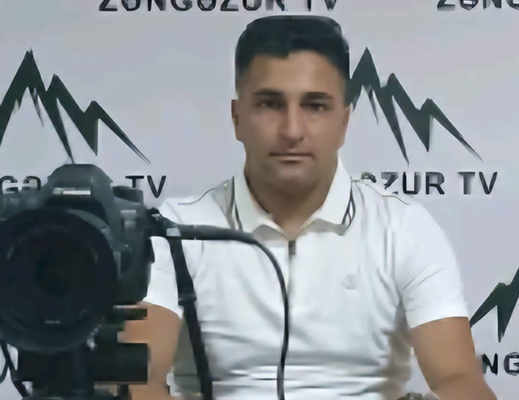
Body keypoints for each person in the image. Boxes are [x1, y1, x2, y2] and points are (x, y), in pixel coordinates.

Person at [124, 15, 497, 400]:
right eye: (270, 105)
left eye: (315, 106)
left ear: (344, 122)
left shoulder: (404, 228)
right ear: (237, 118)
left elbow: (459, 379)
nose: (292, 131)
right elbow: (135, 380)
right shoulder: (175, 228)